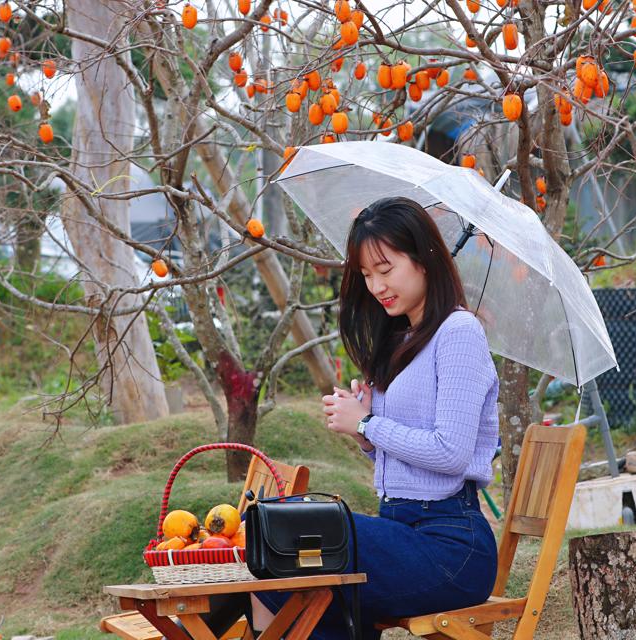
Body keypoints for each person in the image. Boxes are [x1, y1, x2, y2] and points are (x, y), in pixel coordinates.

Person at [170, 196, 500, 639]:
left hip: (450, 549)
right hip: (401, 531)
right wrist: (368, 435)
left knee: (283, 531)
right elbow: (405, 463)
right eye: (366, 274)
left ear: (424, 259)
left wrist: (367, 424)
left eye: (385, 269)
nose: (377, 285)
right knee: (278, 539)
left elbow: (452, 454)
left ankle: (186, 630)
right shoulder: (405, 337)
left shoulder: (459, 333)